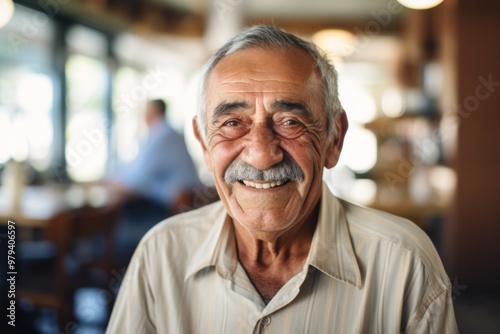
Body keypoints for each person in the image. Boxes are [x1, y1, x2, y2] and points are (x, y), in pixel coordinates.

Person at [106, 26, 458, 333]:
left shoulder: (405, 264)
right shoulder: (160, 255)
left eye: (290, 121)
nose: (261, 154)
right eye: (232, 123)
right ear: (203, 144)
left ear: (334, 140)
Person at [106, 99, 200, 262]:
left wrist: (112, 183)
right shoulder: (169, 133)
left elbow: (137, 181)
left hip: (167, 211)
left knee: (115, 222)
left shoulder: (161, 135)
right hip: (180, 208)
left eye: (144, 111)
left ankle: (120, 270)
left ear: (151, 113)